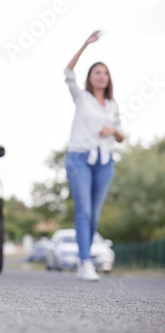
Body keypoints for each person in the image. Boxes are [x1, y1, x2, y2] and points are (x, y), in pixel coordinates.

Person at [64, 31, 124, 281]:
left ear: (109, 79)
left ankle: (84, 260)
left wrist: (113, 130)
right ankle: (85, 262)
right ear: (90, 77)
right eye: (96, 72)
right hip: (79, 158)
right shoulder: (82, 97)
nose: (101, 76)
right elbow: (67, 72)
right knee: (84, 211)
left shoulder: (112, 104)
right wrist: (85, 45)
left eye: (105, 72)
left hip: (105, 161)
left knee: (95, 215)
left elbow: (121, 136)